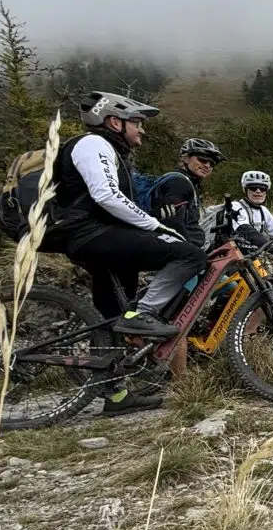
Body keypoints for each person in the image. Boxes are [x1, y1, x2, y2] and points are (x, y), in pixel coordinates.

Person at [52, 92, 210, 415]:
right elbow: (106, 195)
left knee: (111, 319)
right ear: (115, 122)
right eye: (137, 122)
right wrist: (156, 226)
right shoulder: (93, 144)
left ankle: (116, 396)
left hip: (98, 240)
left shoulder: (112, 151)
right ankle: (144, 315)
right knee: (191, 255)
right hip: (92, 235)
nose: (142, 130)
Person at [209, 170, 273, 260]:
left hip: (250, 255)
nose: (258, 191)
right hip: (227, 256)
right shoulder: (235, 206)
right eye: (253, 188)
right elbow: (247, 231)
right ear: (245, 190)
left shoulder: (263, 211)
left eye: (262, 189)